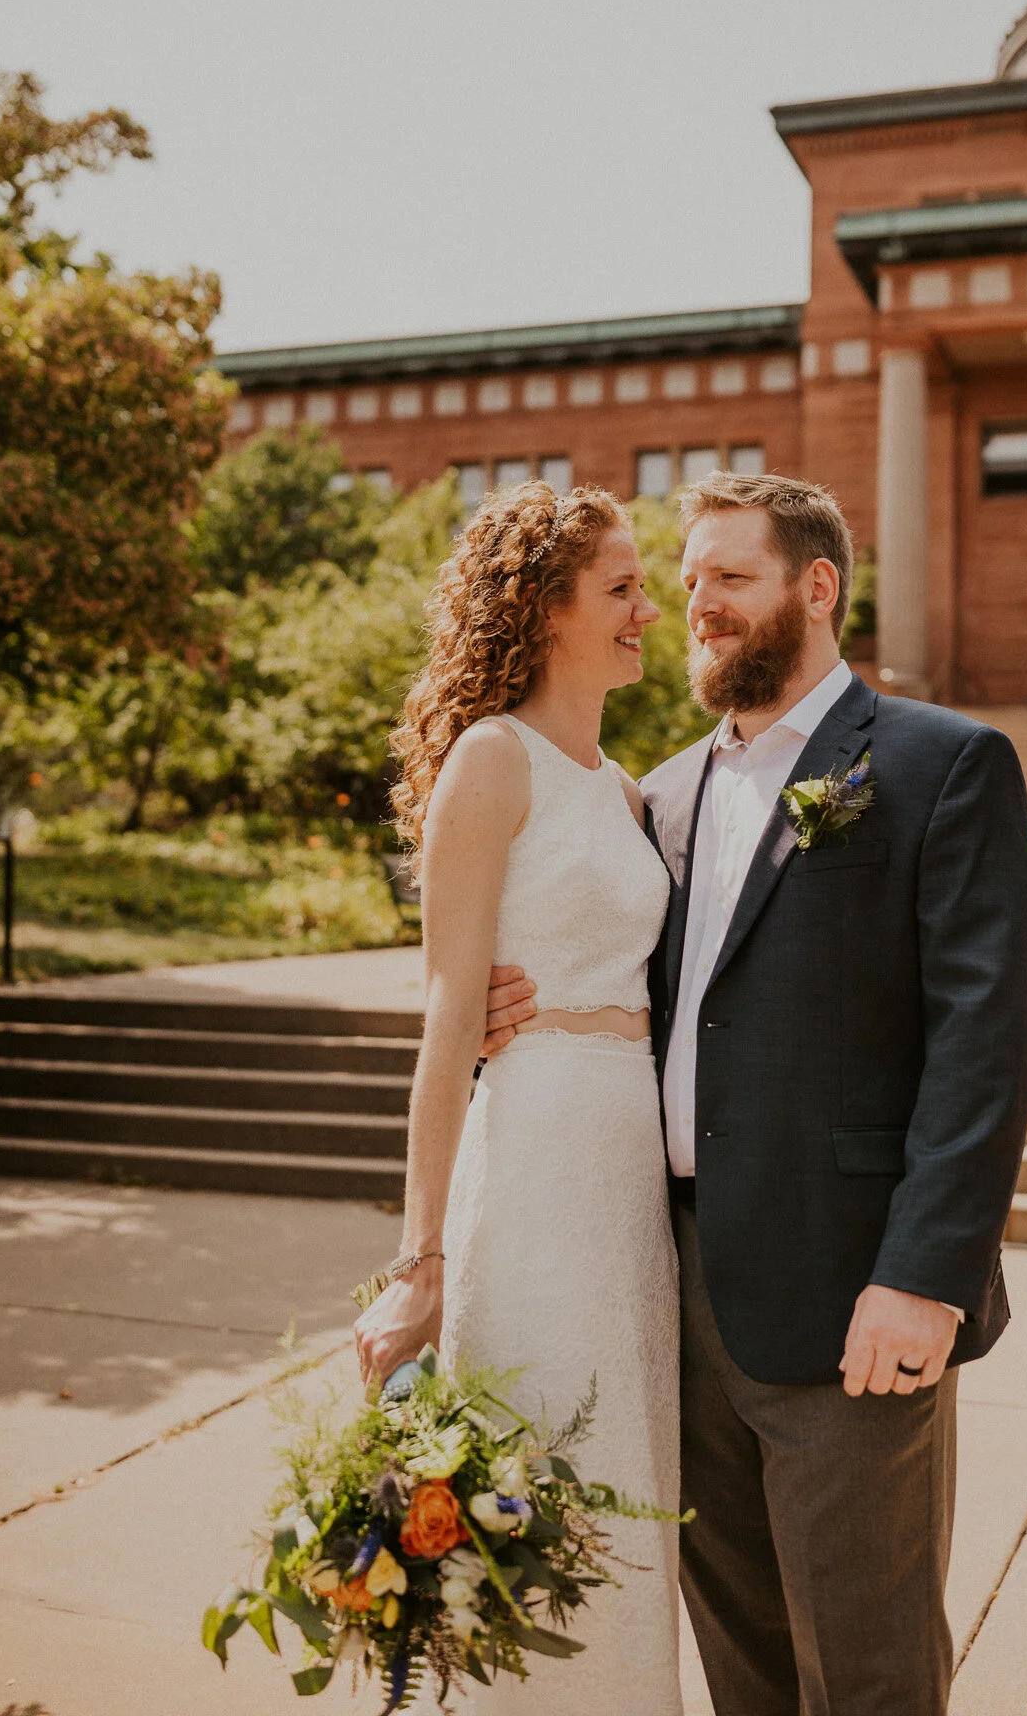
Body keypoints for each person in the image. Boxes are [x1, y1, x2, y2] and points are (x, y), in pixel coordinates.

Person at [484, 470, 1027, 1716]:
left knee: (866, 1661)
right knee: (740, 1650)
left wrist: (926, 1274)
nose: (696, 605)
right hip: (671, 1283)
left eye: (728, 578)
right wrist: (499, 1002)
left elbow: (983, 1041)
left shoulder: (940, 763)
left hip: (855, 1287)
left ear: (816, 585)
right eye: (686, 584)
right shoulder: (662, 792)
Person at [353, 480, 684, 1715]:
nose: (650, 608)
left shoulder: (632, 792)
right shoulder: (492, 761)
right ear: (545, 608)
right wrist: (416, 1257)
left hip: (630, 1167)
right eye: (622, 588)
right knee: (540, 1471)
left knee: (627, 1486)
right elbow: (448, 1019)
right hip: (537, 1149)